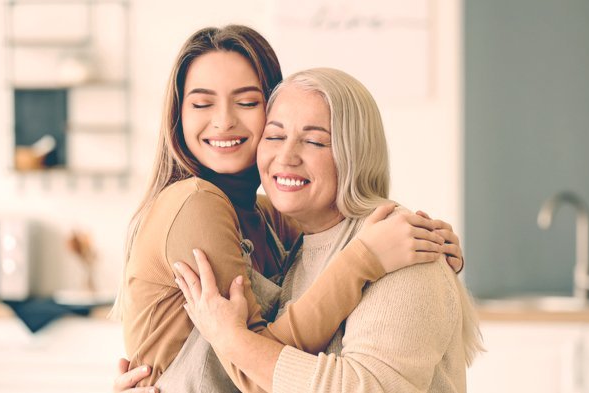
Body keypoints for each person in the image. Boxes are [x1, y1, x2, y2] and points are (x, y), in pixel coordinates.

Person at [112, 25, 467, 392]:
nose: (223, 121)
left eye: (247, 102)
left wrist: (432, 242)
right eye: (201, 104)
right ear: (178, 114)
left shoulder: (273, 217)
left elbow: (339, 232)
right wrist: (363, 260)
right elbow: (255, 374)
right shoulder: (197, 203)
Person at [174, 68, 483, 393]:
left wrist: (233, 341)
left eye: (314, 141)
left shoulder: (403, 250)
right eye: (275, 136)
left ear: (356, 154)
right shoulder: (291, 240)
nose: (286, 156)